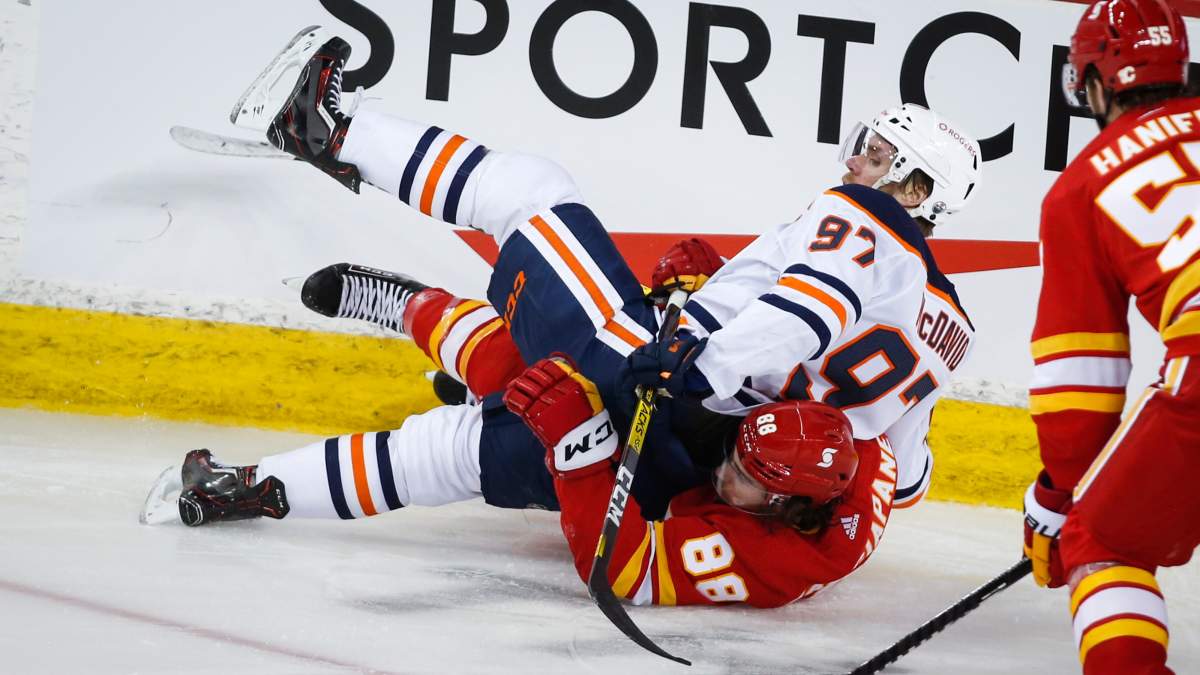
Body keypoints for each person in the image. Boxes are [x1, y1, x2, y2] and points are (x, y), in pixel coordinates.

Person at [146, 25, 980, 606]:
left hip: (658, 379)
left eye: (879, 153)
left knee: (535, 198)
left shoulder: (869, 222)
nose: (856, 160)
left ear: (915, 188)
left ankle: (331, 129)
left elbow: (811, 308)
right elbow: (900, 473)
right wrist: (726, 301)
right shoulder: (948, 325)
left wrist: (702, 354)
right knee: (464, 451)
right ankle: (243, 490)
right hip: (690, 470)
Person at [1021, 1, 1200, 672]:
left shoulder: (1082, 185)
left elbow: (1078, 380)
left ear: (1094, 84)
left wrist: (1064, 498)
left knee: (1106, 541)